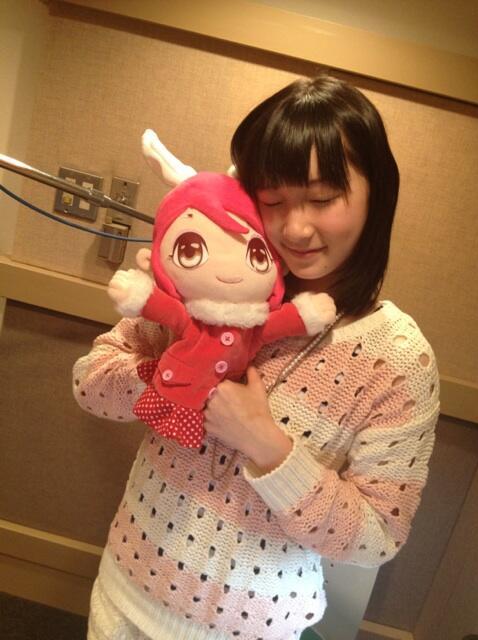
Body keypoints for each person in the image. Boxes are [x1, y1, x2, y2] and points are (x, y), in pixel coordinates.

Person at [73, 74, 440, 640]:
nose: (296, 227)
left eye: (322, 198)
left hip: (255, 627)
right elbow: (91, 381)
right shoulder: (203, 288)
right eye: (272, 200)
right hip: (125, 586)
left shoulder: (398, 358)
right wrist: (172, 379)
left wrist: (269, 447)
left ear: (377, 195)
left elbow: (377, 537)